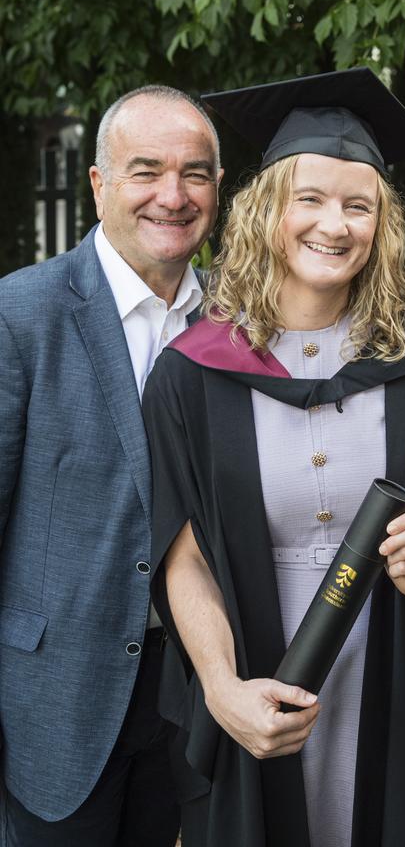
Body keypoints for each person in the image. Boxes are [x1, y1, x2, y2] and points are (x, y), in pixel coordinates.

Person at [142, 67, 405, 847]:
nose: (335, 224)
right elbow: (183, 556)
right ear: (267, 210)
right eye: (311, 199)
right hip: (256, 675)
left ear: (381, 225)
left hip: (395, 685)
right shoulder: (192, 375)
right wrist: (223, 690)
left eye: (358, 205)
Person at [0, 85, 222, 846]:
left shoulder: (237, 320)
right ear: (99, 184)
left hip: (190, 691)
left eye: (196, 173)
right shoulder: (20, 316)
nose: (173, 195)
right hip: (53, 702)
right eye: (146, 170)